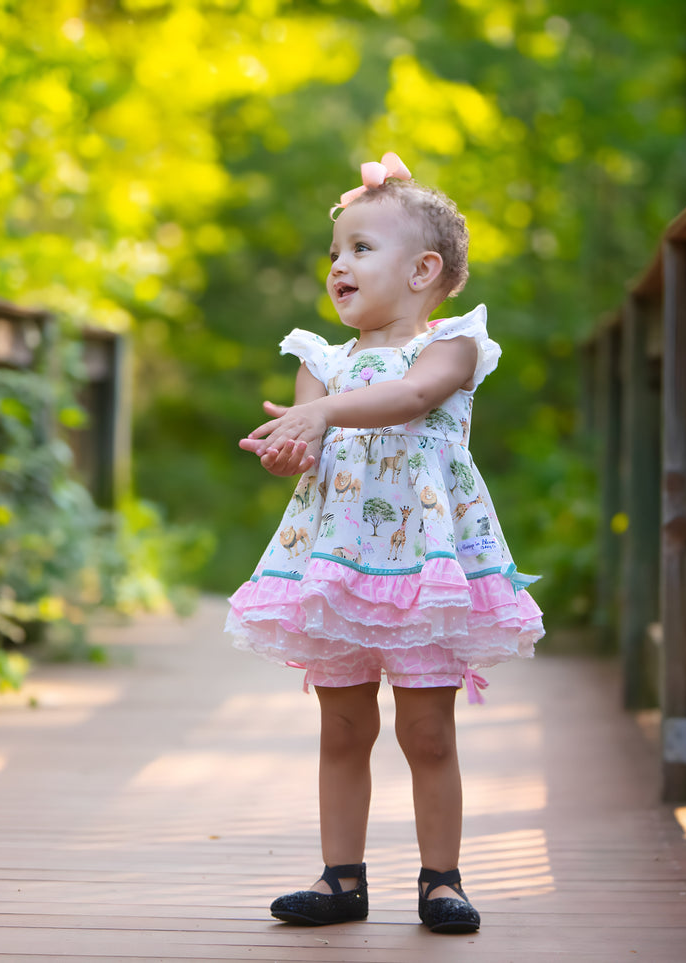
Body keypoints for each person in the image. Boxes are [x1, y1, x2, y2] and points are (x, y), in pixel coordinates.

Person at [227, 152, 544, 934]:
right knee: (342, 724)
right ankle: (341, 878)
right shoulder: (320, 360)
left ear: (423, 270)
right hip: (335, 571)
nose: (338, 264)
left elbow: (411, 396)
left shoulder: (453, 345)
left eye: (360, 248)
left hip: (423, 574)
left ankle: (441, 877)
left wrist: (323, 416)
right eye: (334, 251)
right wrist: (288, 441)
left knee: (426, 728)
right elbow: (307, 441)